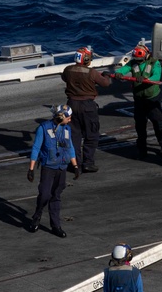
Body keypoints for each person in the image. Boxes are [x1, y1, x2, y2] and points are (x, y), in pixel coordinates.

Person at [28, 104, 80, 237]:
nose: (70, 119)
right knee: (45, 194)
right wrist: (31, 169)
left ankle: (55, 225)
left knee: (56, 195)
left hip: (61, 167)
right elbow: (36, 148)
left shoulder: (67, 129)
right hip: (48, 168)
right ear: (61, 117)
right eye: (68, 117)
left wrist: (75, 166)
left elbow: (70, 148)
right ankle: (37, 216)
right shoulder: (43, 128)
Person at [113, 43, 162, 158]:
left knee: (157, 123)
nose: (137, 61)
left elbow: (156, 76)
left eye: (140, 59)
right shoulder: (133, 63)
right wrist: (118, 73)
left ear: (146, 56)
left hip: (152, 99)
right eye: (136, 59)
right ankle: (142, 148)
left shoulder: (154, 63)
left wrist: (146, 79)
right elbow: (125, 68)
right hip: (139, 99)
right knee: (140, 125)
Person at [61, 46, 111, 173]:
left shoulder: (67, 70)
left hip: (71, 104)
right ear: (87, 59)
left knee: (74, 136)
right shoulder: (92, 72)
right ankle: (88, 163)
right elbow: (105, 83)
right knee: (91, 134)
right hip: (87, 106)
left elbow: (65, 78)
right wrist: (106, 75)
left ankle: (75, 164)